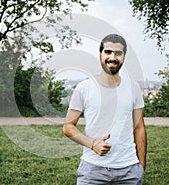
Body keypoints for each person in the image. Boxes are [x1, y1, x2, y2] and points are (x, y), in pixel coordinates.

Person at [63, 34, 147, 184]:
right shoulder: (84, 88)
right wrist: (92, 143)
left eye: (118, 53)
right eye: (108, 52)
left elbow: (139, 128)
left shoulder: (133, 88)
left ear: (124, 56)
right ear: (100, 54)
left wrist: (141, 166)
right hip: (92, 170)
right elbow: (68, 126)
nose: (113, 57)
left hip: (129, 170)